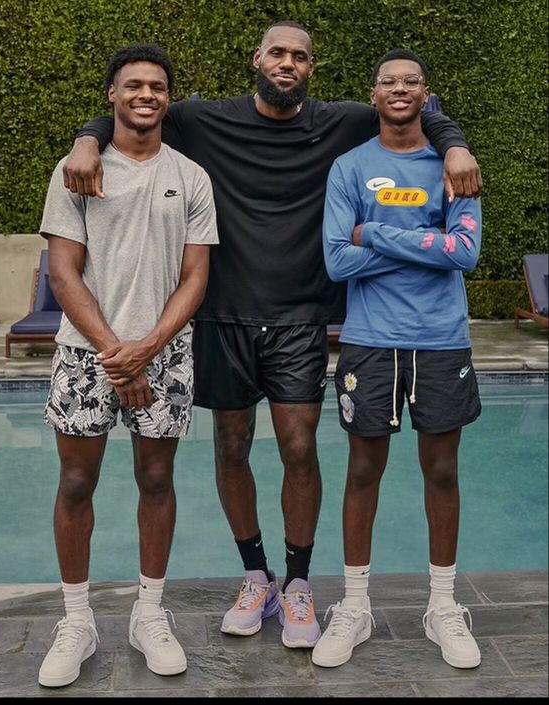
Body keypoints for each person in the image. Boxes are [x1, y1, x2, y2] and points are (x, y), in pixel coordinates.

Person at [62, 22, 482, 650]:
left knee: (299, 447)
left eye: (300, 56)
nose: (288, 63)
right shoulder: (204, 121)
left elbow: (416, 106)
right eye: (278, 53)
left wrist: (454, 145)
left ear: (313, 68)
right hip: (223, 315)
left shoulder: (342, 125)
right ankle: (255, 573)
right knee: (231, 448)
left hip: (300, 317)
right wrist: (85, 141)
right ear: (257, 59)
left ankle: (299, 582)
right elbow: (132, 109)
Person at [37, 43, 218, 687]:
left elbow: (195, 277)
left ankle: (149, 614)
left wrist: (147, 349)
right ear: (111, 95)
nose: (147, 94)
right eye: (134, 85)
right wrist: (119, 354)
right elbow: (62, 270)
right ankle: (77, 621)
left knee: (158, 479)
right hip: (86, 355)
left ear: (168, 97)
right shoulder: (78, 169)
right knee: (76, 484)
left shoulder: (192, 176)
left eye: (158, 86)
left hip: (164, 356)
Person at [313, 48, 482, 669]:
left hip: (440, 339)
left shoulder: (455, 168)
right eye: (389, 81)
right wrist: (424, 245)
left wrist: (375, 234)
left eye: (412, 81)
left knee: (441, 470)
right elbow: (336, 259)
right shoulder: (349, 167)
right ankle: (353, 606)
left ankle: (442, 606)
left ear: (425, 93)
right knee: (363, 472)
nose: (400, 89)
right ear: (375, 93)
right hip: (371, 338)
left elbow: (465, 252)